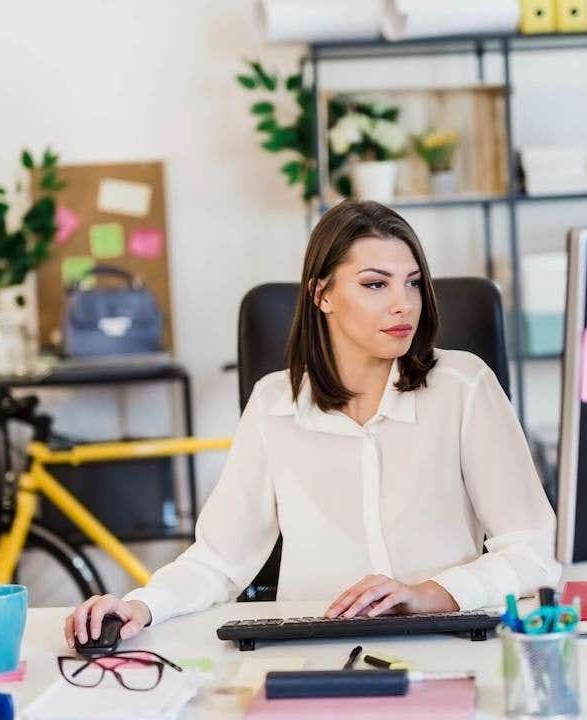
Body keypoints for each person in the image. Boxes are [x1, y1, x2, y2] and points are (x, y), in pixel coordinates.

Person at [64, 199, 559, 648]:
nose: (403, 303)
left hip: (446, 643)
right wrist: (140, 606)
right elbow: (218, 559)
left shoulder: (464, 386)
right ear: (321, 294)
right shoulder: (274, 403)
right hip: (313, 650)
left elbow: (534, 552)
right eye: (374, 284)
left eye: (412, 282)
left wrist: (430, 594)